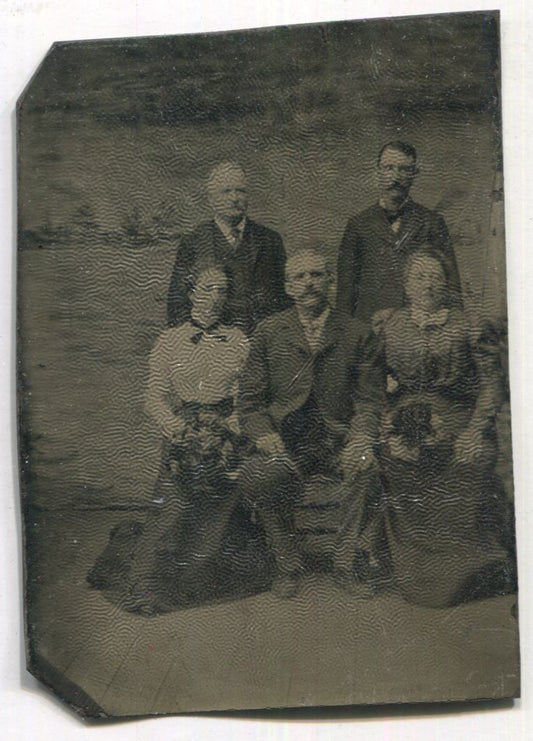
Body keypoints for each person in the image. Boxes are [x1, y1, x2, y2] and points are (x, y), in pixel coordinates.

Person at [87, 265, 272, 613]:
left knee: (220, 519)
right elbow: (153, 397)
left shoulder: (239, 340)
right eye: (207, 289)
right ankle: (147, 583)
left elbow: (245, 397)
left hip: (226, 436)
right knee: (170, 512)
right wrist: (176, 429)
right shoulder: (169, 341)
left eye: (222, 290)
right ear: (191, 294)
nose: (215, 297)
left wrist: (227, 429)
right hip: (182, 432)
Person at [236, 248, 384, 599]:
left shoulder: (357, 333)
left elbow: (370, 400)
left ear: (330, 282)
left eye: (317, 275)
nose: (309, 284)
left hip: (339, 438)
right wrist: (266, 436)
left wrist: (361, 438)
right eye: (299, 277)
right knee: (260, 475)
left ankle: (346, 564)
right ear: (288, 287)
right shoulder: (269, 332)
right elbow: (249, 404)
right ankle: (287, 564)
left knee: (367, 467)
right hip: (287, 440)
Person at [373, 249, 515, 608]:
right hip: (407, 419)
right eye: (419, 277)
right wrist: (388, 421)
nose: (428, 285)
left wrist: (474, 430)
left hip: (458, 416)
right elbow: (376, 382)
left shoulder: (468, 324)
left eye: (436, 277)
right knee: (394, 459)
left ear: (446, 283)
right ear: (406, 285)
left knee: (472, 459)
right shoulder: (391, 325)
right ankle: (416, 568)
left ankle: (470, 567)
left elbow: (491, 385)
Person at [336, 141, 462, 320]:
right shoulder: (358, 224)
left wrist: (457, 327)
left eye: (404, 169)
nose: (395, 177)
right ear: (378, 171)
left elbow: (452, 284)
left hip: (419, 326)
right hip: (370, 327)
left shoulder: (432, 222)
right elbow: (345, 292)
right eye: (388, 168)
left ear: (414, 174)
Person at [167, 161, 291, 332]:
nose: (234, 199)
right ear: (211, 199)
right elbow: (177, 302)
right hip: (213, 342)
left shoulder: (270, 239)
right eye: (226, 191)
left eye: (240, 191)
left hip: (262, 339)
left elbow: (285, 298)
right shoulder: (193, 241)